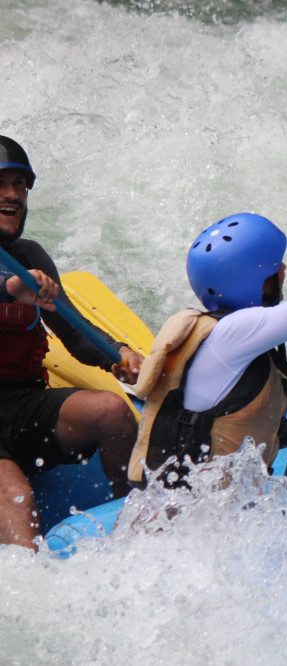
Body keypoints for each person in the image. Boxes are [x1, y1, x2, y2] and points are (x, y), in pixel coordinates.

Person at [127, 213, 287, 488]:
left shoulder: (211, 330)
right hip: (194, 510)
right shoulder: (235, 332)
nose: (283, 268)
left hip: (177, 500)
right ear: (253, 279)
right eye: (274, 266)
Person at [0, 135, 145, 550]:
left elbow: (74, 331)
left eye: (20, 184)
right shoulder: (20, 275)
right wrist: (13, 287)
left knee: (112, 411)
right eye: (1, 184)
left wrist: (116, 353)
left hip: (21, 405)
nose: (12, 195)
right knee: (17, 498)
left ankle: (134, 526)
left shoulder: (30, 256)